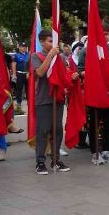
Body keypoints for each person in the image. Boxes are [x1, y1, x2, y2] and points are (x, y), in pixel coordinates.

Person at [78, 23, 109, 165]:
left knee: (108, 123)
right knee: (94, 123)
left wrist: (108, 75)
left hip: (108, 93)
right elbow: (80, 70)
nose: (107, 37)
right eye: (104, 34)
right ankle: (95, 151)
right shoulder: (87, 51)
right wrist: (93, 74)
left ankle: (107, 151)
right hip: (93, 92)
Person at [30, 30, 71, 175]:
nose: (53, 44)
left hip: (57, 98)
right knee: (43, 131)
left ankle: (56, 159)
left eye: (54, 41)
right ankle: (40, 162)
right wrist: (50, 56)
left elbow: (64, 74)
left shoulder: (59, 57)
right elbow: (40, 73)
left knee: (57, 130)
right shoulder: (36, 56)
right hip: (44, 99)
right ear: (41, 42)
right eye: (49, 41)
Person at [13, 42, 29, 114]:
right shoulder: (16, 55)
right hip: (19, 74)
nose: (24, 48)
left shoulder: (28, 55)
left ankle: (30, 106)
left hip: (27, 75)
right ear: (19, 47)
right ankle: (19, 106)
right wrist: (14, 74)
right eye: (22, 46)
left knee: (28, 90)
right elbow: (14, 65)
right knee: (19, 90)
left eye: (25, 46)